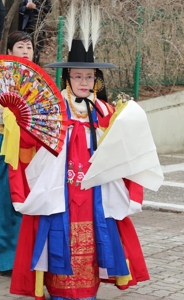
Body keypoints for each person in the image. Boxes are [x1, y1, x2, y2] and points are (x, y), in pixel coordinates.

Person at [8, 38, 163, 299]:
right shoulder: (52, 110)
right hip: (61, 193)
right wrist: (22, 120)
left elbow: (127, 151)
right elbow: (29, 145)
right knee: (60, 238)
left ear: (96, 80)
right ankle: (58, 292)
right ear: (68, 77)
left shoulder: (106, 112)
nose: (83, 82)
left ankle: (88, 292)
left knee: (93, 242)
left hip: (95, 195)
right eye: (78, 76)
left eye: (89, 77)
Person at [0, 31, 34, 272]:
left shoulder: (37, 79)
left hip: (31, 147)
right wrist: (13, 113)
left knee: (30, 198)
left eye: (29, 47)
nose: (25, 51)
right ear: (10, 51)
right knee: (2, 198)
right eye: (20, 46)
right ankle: (4, 254)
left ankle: (30, 253)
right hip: (4, 143)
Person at [19, 0, 51, 65]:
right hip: (27, 25)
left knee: (37, 48)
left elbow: (48, 9)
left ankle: (35, 65)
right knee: (27, 46)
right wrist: (26, 7)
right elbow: (20, 8)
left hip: (38, 25)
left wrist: (36, 7)